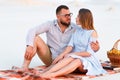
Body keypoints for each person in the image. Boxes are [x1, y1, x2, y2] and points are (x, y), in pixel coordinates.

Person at [20, 5, 99, 71]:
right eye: (66, 15)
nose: (69, 17)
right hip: (50, 57)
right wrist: (29, 45)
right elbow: (32, 30)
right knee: (35, 38)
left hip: (66, 59)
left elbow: (88, 35)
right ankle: (24, 67)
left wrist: (96, 48)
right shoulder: (50, 25)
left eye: (69, 14)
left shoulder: (76, 28)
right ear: (58, 16)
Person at [39, 8, 107, 78]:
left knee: (76, 60)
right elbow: (70, 46)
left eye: (78, 16)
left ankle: (52, 74)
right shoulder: (77, 30)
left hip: (88, 61)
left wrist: (72, 54)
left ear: (83, 18)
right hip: (76, 57)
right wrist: (62, 55)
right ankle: (47, 71)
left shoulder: (92, 33)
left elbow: (88, 53)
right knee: (69, 58)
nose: (75, 18)